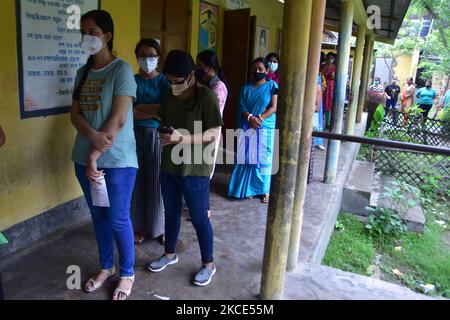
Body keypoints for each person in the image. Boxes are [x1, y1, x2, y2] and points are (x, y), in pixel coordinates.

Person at [70, 10, 138, 300]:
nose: (86, 37)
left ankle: (127, 273)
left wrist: (95, 154)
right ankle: (107, 267)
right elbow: (74, 115)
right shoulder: (81, 73)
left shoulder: (121, 70)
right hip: (84, 159)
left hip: (116, 161)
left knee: (118, 218)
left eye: (92, 31)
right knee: (98, 217)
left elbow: (118, 120)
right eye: (82, 31)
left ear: (107, 36)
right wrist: (92, 139)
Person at [147, 50, 223, 287]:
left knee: (200, 218)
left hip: (196, 168)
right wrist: (165, 133)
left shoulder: (207, 97)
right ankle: (169, 254)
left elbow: (214, 133)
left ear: (191, 75)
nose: (173, 85)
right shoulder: (169, 95)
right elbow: (164, 121)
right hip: (170, 165)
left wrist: (182, 139)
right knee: (170, 213)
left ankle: (209, 264)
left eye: (177, 81)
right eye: (169, 81)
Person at [131, 39, 168, 245]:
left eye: (152, 55)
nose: (147, 59)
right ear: (137, 56)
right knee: (137, 181)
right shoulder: (132, 80)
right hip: (133, 135)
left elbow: (166, 110)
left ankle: (160, 228)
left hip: (157, 136)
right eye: (143, 55)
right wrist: (154, 109)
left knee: (157, 181)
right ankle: (141, 226)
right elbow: (128, 112)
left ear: (158, 57)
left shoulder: (163, 81)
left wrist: (141, 108)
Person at [228, 57, 278, 203]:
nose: (257, 72)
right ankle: (249, 189)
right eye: (254, 69)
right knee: (247, 157)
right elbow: (241, 105)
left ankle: (265, 190)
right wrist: (250, 118)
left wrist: (259, 119)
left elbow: (274, 107)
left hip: (265, 126)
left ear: (267, 71)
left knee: (265, 158)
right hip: (248, 124)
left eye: (260, 69)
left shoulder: (272, 86)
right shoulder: (246, 88)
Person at [196, 50, 228, 218]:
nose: (198, 69)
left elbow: (211, 111)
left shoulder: (218, 87)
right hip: (198, 131)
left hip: (210, 132)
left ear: (211, 67)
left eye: (201, 66)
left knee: (205, 170)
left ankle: (205, 208)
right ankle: (198, 204)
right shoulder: (207, 83)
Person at [321, 52, 336, 129]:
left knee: (329, 105)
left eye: (331, 58)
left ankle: (327, 123)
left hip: (331, 88)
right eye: (328, 58)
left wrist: (333, 76)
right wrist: (325, 67)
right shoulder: (322, 66)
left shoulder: (335, 67)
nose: (330, 60)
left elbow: (335, 77)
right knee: (321, 104)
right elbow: (320, 74)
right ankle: (320, 122)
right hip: (323, 87)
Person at [313, 74, 325, 150]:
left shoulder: (316, 75)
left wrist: (317, 106)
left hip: (313, 104)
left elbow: (319, 91)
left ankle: (318, 141)